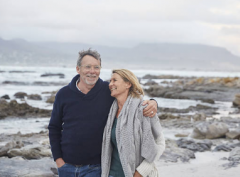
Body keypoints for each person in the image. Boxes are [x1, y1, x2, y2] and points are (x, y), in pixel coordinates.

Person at [48, 49, 158, 177]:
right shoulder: (63, 94)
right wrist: (58, 160)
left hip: (96, 168)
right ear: (78, 69)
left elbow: (132, 99)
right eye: (87, 67)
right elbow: (54, 127)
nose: (92, 71)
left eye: (96, 67)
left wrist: (153, 102)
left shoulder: (108, 91)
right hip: (66, 167)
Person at [101, 69, 165, 177]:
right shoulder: (111, 110)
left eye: (114, 80)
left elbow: (160, 143)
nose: (110, 84)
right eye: (110, 80)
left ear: (128, 84)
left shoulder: (144, 108)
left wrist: (140, 172)